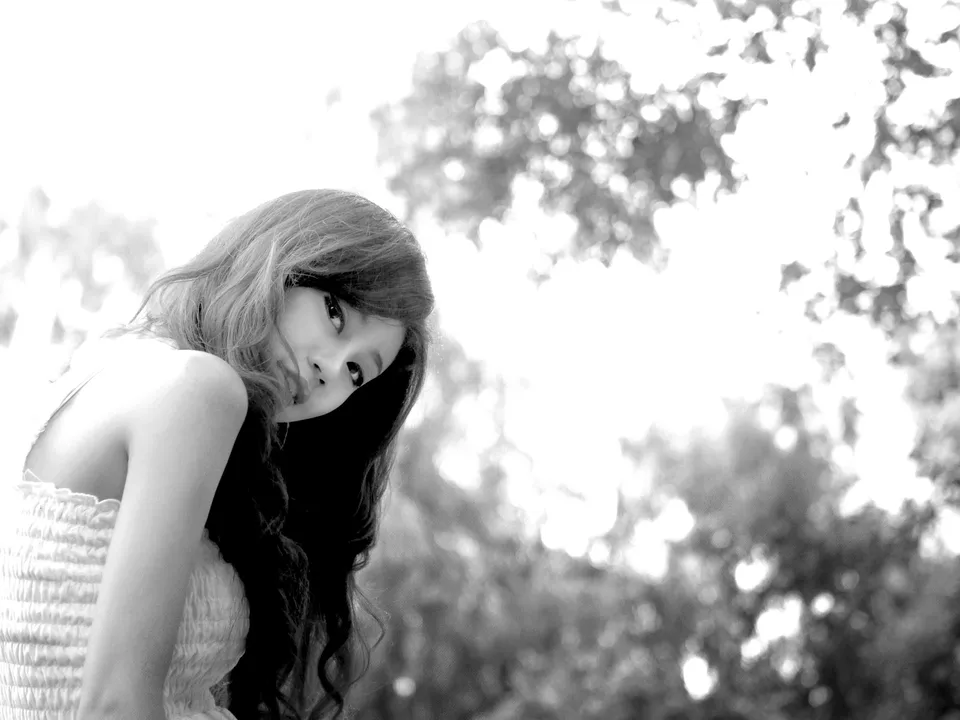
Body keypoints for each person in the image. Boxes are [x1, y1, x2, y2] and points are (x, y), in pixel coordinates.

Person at [0, 189, 435, 719]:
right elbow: (115, 706)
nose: (330, 369)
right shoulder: (198, 388)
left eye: (357, 371)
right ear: (280, 259)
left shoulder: (129, 368)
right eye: (334, 313)